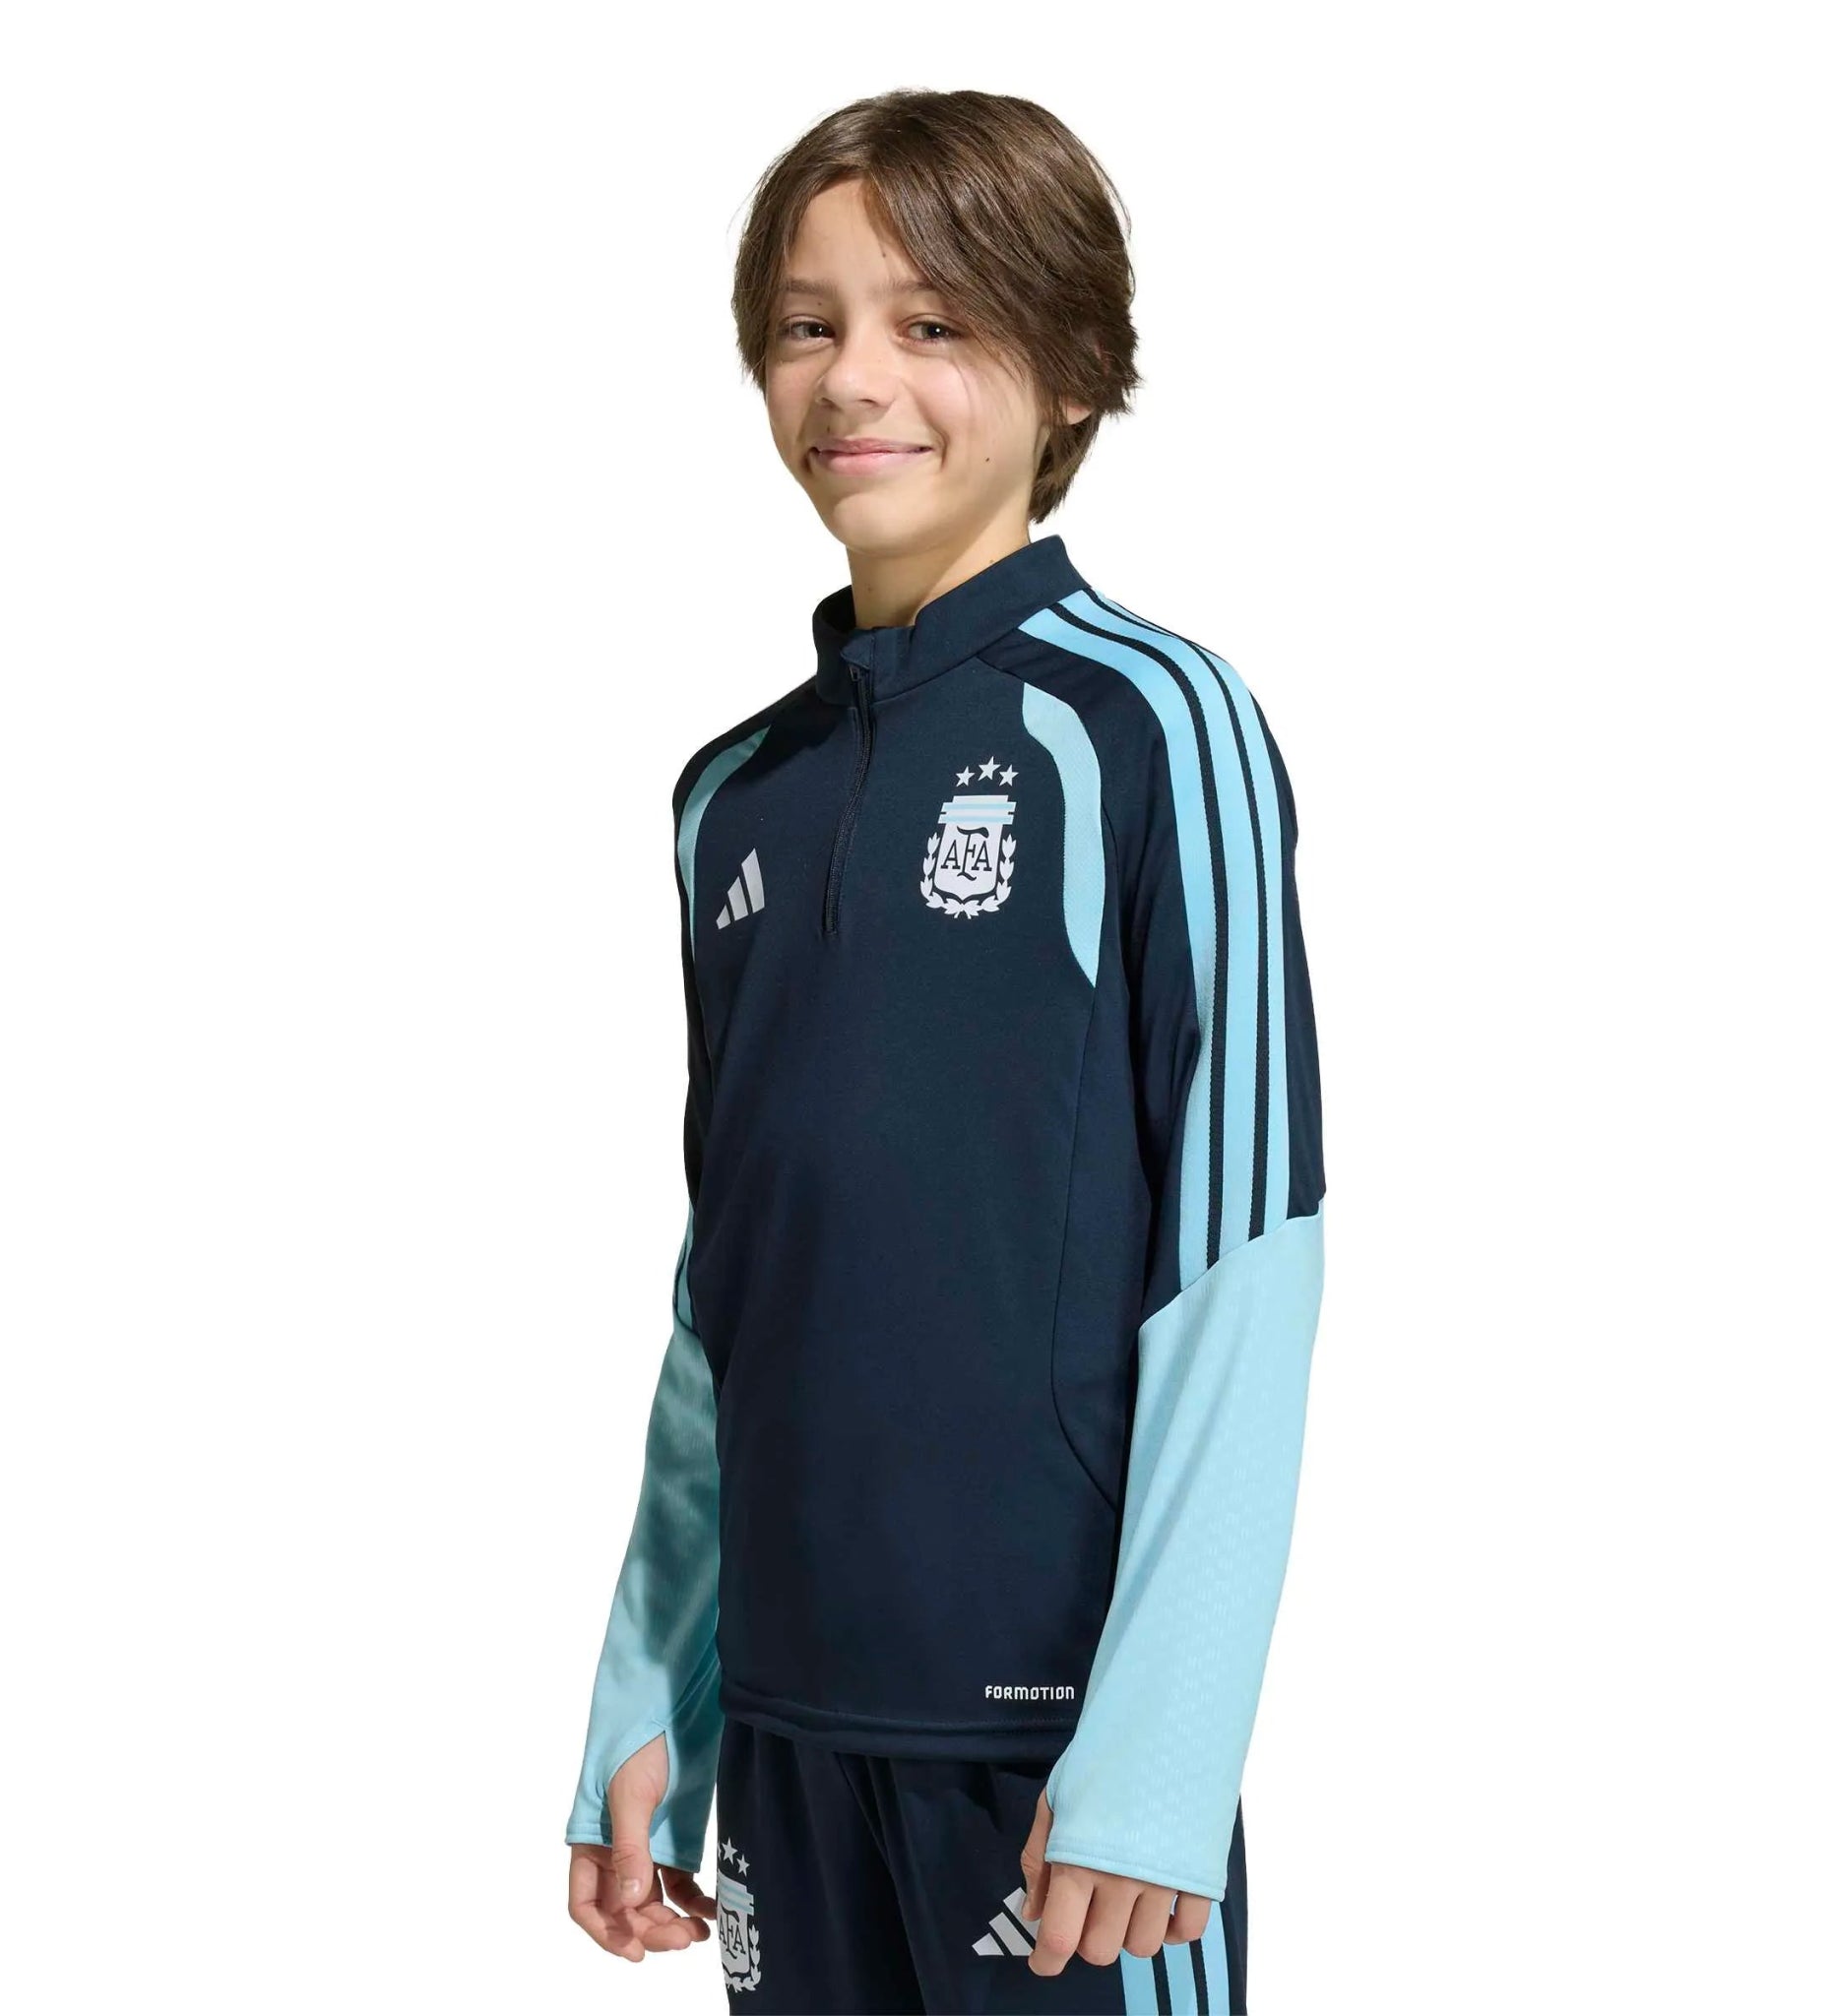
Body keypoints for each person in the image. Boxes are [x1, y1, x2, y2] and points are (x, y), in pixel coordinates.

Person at [566, 88, 1326, 2014]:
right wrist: (655, 1686)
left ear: (1069, 369)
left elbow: (1244, 1249)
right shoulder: (731, 796)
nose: (854, 377)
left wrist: (1162, 1749)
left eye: (932, 321)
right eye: (806, 324)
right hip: (791, 1739)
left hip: (1058, 1765)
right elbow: (732, 1280)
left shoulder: (1153, 727)